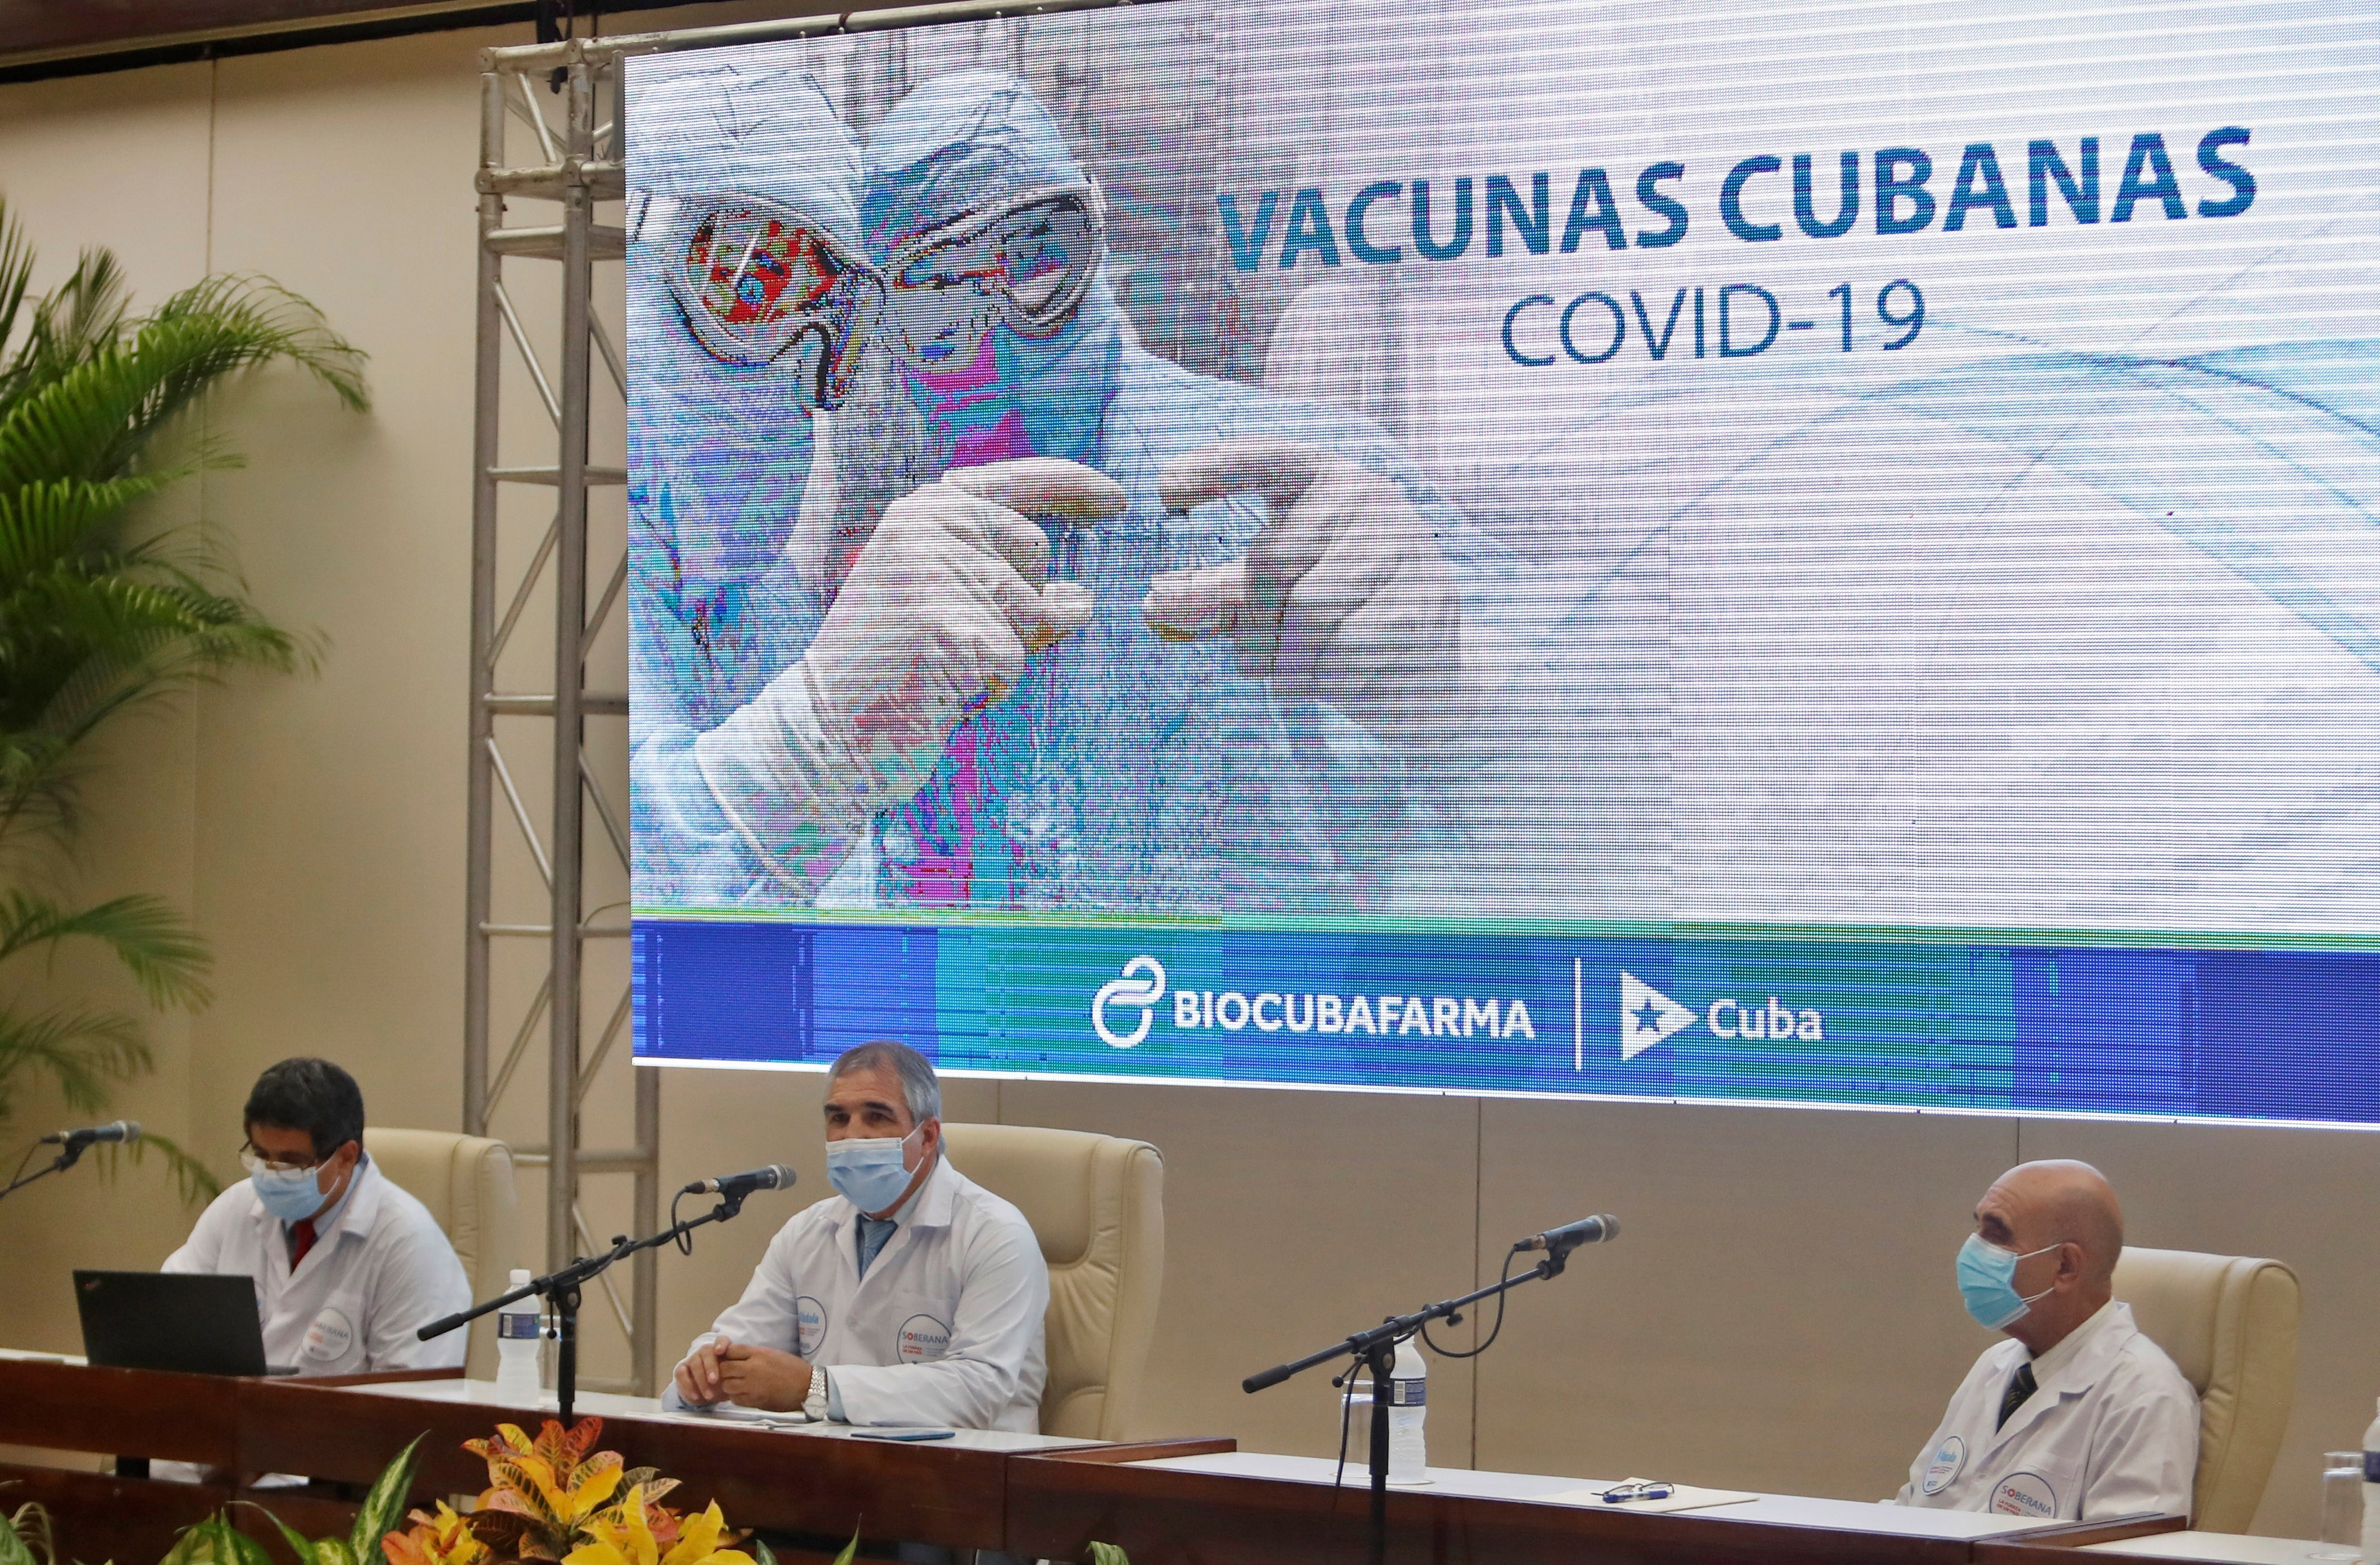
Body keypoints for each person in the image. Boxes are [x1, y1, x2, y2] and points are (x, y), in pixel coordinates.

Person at [670, 67, 1534, 916]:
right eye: (936, 300)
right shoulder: (893, 551)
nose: (1004, 332)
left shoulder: (1309, 480)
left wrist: (1479, 691)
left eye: (1037, 256)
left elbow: (1625, 716)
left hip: (1256, 1022)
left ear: (1100, 234)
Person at [668, 1041, 1048, 1430]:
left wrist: (815, 1388)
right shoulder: (807, 1231)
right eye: (838, 1119)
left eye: (877, 1116)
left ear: (929, 1136)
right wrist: (702, 1374)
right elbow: (741, 1342)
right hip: (834, 1468)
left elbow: (977, 1391)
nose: (853, 1135)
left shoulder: (996, 1234)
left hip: (972, 1474)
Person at [1896, 1159, 2198, 1522]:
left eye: (1995, 1235)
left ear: (2065, 1267)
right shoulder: (1997, 1364)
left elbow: (2130, 1557)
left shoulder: (2146, 1396)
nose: (1972, 1250)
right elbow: (1909, 1512)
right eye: (1977, 1228)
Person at [163, 1057, 470, 1375]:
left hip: (342, 1423)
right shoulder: (235, 1208)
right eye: (261, 1156)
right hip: (228, 1416)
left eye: (292, 1162)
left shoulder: (409, 1242)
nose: (271, 1174)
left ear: (346, 1158)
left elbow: (411, 1400)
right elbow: (169, 1320)